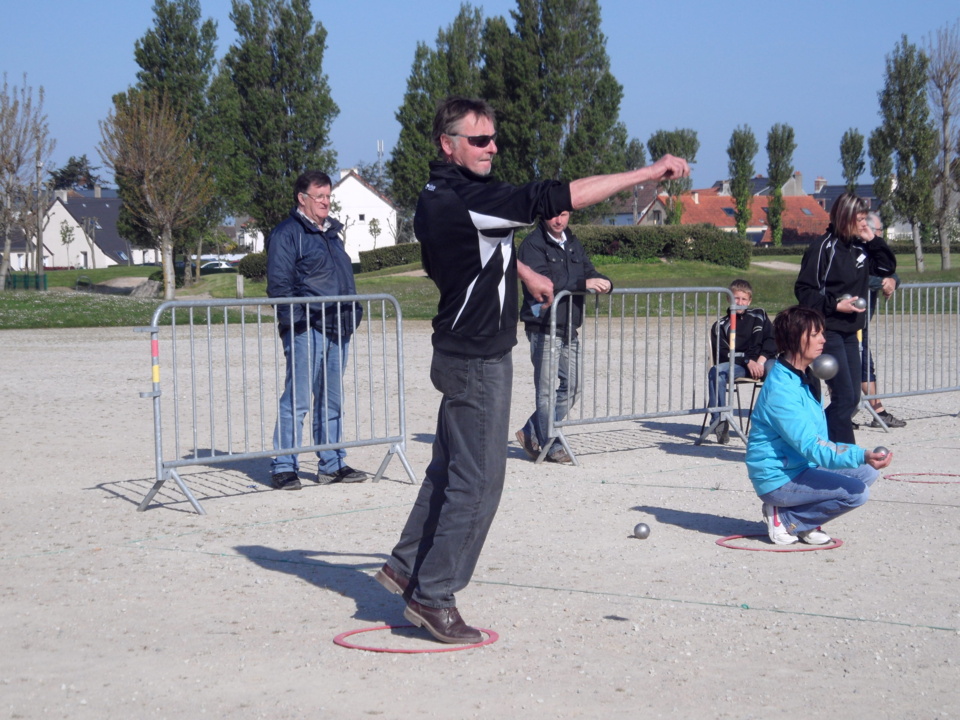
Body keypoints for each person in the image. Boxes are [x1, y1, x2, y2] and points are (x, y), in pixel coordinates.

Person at [375, 96, 689, 643]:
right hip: (477, 359)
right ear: (447, 144)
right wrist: (649, 171)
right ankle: (432, 596)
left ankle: (405, 566)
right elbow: (561, 196)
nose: (492, 147)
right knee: (479, 483)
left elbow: (473, 245)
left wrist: (521, 269)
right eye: (479, 140)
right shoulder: (468, 196)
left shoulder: (433, 195)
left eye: (494, 138)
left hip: (453, 348)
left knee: (447, 469)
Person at [746, 305, 893, 545]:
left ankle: (805, 523)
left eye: (822, 333)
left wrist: (862, 458)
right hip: (778, 478)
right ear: (795, 339)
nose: (823, 340)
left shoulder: (804, 375)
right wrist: (862, 453)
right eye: (815, 335)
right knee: (856, 493)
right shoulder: (782, 391)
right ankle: (786, 517)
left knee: (867, 472)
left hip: (801, 467)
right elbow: (813, 446)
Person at [265, 170, 368, 491]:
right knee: (297, 400)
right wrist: (296, 324)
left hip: (338, 326)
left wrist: (354, 311)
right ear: (302, 198)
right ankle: (284, 465)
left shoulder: (332, 233)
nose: (326, 202)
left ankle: (332, 463)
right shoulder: (287, 234)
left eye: (328, 196)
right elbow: (280, 285)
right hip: (306, 327)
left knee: (332, 400)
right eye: (319, 196)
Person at [794, 192, 896, 443]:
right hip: (827, 330)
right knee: (843, 396)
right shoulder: (823, 247)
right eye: (859, 219)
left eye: (866, 219)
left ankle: (819, 442)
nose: (864, 224)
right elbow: (804, 291)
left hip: (851, 332)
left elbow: (885, 267)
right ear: (844, 218)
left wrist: (873, 239)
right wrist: (836, 306)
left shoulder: (861, 246)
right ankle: (842, 452)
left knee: (851, 398)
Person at [515, 211, 612, 463]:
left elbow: (588, 270)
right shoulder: (532, 245)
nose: (559, 220)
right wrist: (584, 282)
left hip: (569, 325)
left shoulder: (571, 242)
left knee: (574, 386)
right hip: (543, 325)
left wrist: (604, 281)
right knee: (546, 390)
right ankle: (551, 442)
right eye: (553, 215)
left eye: (564, 214)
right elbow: (547, 282)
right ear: (543, 216)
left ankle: (531, 430)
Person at [707, 279, 776, 444]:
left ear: (750, 301)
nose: (740, 303)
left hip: (763, 361)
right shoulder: (720, 326)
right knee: (716, 372)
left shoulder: (759, 314)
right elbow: (723, 354)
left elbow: (772, 340)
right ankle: (720, 422)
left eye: (744, 299)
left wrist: (759, 361)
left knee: (777, 371)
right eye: (736, 298)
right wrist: (747, 361)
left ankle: (770, 423)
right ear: (729, 299)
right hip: (739, 365)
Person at [856, 212, 906, 429]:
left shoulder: (873, 251)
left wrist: (892, 281)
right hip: (845, 319)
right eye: (877, 231)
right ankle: (849, 413)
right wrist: (882, 283)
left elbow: (890, 270)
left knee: (864, 365)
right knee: (849, 366)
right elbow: (855, 277)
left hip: (862, 321)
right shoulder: (853, 249)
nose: (880, 236)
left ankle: (877, 411)